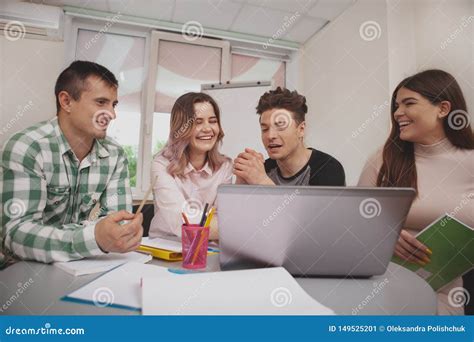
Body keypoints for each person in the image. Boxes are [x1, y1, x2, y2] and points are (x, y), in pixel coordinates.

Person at [0, 61, 142, 264]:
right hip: (19, 269)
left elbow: (116, 224)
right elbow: (16, 236)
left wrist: (114, 234)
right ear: (66, 101)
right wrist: (94, 236)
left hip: (76, 266)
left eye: (114, 104)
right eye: (101, 102)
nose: (111, 114)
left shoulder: (115, 154)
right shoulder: (27, 148)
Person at [358, 69, 474, 315]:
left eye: (409, 103)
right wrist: (385, 234)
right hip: (383, 285)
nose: (398, 113)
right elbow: (355, 219)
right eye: (396, 105)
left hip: (451, 289)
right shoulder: (383, 159)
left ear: (443, 109)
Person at [149, 92, 232, 240]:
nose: (207, 128)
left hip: (208, 246)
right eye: (198, 122)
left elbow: (225, 217)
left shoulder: (225, 166)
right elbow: (183, 221)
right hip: (167, 244)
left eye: (212, 121)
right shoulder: (161, 165)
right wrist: (239, 228)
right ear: (181, 128)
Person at [234, 87, 345, 186]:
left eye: (281, 126)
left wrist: (263, 182)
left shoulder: (328, 169)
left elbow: (311, 210)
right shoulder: (264, 169)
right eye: (265, 129)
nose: (270, 136)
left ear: (301, 130)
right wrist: (242, 183)